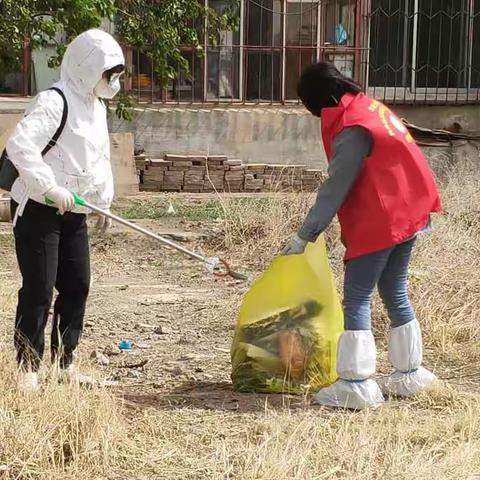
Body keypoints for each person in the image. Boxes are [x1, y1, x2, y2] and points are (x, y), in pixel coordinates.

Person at [283, 62, 441, 410]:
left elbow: (336, 185)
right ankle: (409, 373)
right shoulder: (370, 108)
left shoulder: (353, 128)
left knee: (356, 299)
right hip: (409, 212)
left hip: (382, 219)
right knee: (393, 289)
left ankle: (355, 384)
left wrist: (305, 234)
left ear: (319, 100)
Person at [6, 29, 125, 392]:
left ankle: (65, 363)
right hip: (39, 209)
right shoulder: (53, 101)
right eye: (110, 73)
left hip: (76, 212)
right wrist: (50, 187)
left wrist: (103, 202)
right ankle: (28, 368)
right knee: (40, 288)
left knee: (77, 286)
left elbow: (98, 159)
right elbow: (19, 145)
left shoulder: (97, 107)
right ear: (90, 67)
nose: (114, 81)